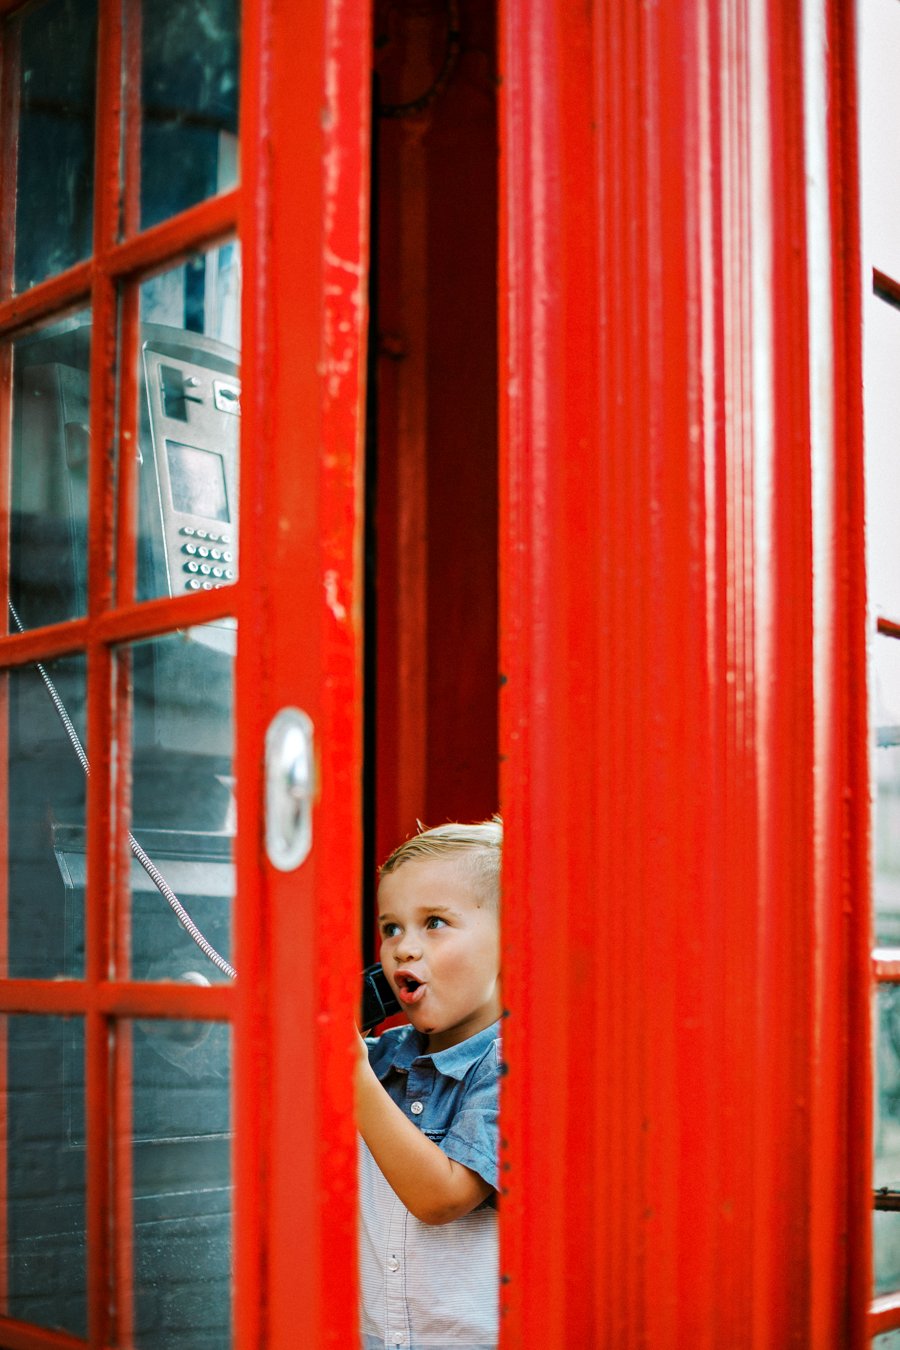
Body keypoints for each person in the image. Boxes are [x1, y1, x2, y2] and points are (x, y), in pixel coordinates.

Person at [356, 818, 503, 1350]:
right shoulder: (381, 1057)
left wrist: (344, 1067)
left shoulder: (510, 1066)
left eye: (434, 922)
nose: (403, 949)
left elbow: (441, 1197)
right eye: (390, 927)